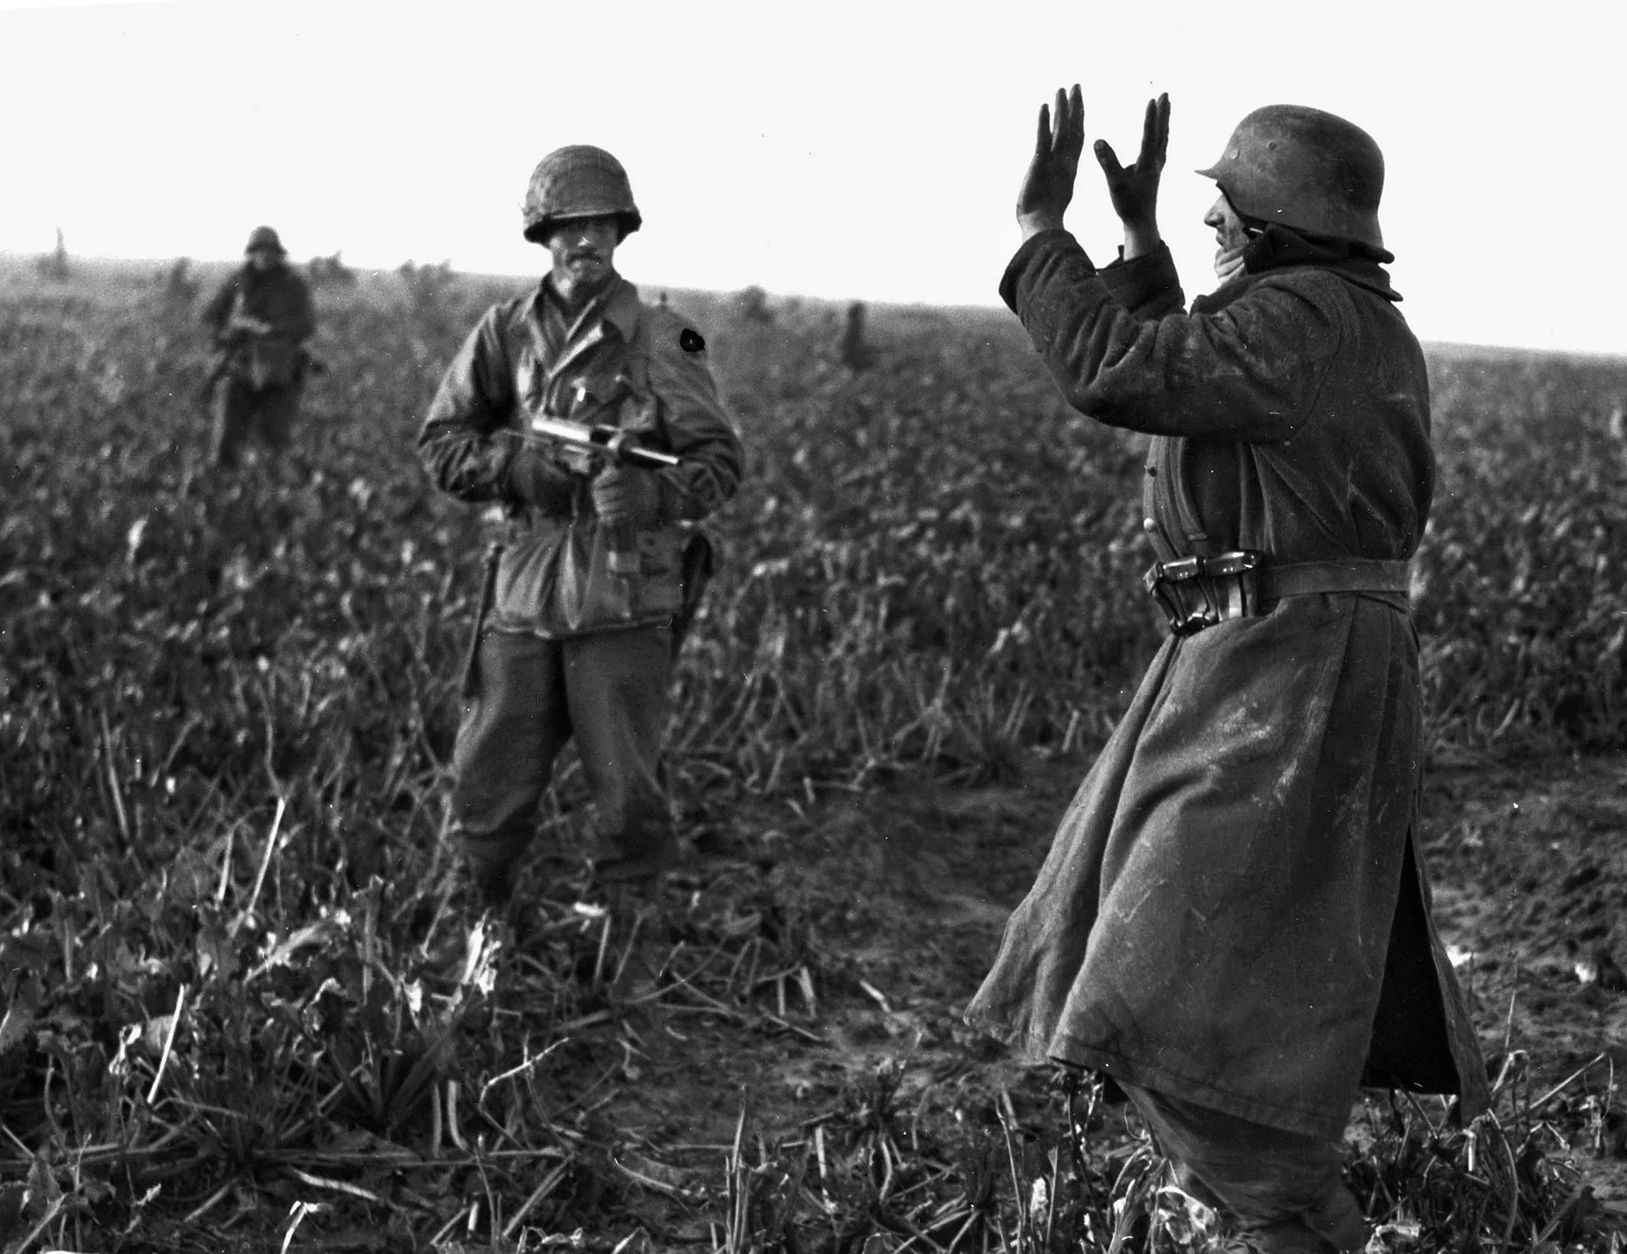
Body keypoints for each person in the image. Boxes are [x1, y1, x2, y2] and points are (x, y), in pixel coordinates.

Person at [965, 87, 1489, 1253]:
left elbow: (1125, 375)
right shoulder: (1333, 314)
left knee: (1183, 980)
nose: (1212, 234)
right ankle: (1266, 1202)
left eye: (1220, 217)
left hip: (1281, 678)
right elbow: (1194, 370)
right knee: (1169, 955)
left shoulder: (1303, 319)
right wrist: (1142, 244)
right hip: (1266, 663)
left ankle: (1291, 1218)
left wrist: (1037, 229)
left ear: (1263, 228)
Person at [418, 145, 743, 911]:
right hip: (523, 592)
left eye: (598, 223)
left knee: (629, 791)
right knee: (487, 782)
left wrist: (652, 494)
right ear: (542, 235)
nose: (583, 240)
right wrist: (517, 469)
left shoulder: (670, 336)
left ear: (621, 231)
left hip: (625, 594)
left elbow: (720, 459)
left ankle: (629, 938)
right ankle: (486, 923)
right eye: (566, 225)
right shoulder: (502, 333)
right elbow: (442, 443)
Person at [199, 226, 316, 470]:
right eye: (259, 251)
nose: (264, 256)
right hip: (239, 367)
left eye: (270, 251)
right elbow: (211, 316)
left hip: (278, 370)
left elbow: (306, 325)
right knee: (227, 435)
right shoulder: (237, 281)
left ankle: (274, 492)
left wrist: (271, 329)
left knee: (276, 437)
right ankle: (224, 483)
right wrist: (233, 329)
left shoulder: (294, 285)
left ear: (277, 254)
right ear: (252, 253)